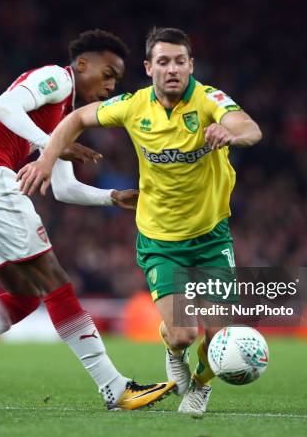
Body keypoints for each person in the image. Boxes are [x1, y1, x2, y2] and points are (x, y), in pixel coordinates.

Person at [0, 29, 175, 411]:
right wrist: (54, 143)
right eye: (108, 73)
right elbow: (4, 109)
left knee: (26, 296)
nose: (111, 86)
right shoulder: (57, 78)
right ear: (82, 64)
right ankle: (116, 388)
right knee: (56, 283)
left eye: (116, 79)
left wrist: (112, 197)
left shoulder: (64, 118)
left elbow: (63, 188)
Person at [17, 27, 263, 414]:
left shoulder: (209, 99)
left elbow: (251, 128)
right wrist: (46, 160)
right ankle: (173, 352)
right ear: (149, 68)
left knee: (217, 337)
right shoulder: (133, 106)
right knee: (182, 335)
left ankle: (199, 385)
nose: (172, 69)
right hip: (160, 239)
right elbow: (76, 119)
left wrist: (228, 133)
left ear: (191, 66)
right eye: (163, 62)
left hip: (212, 236)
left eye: (180, 61)